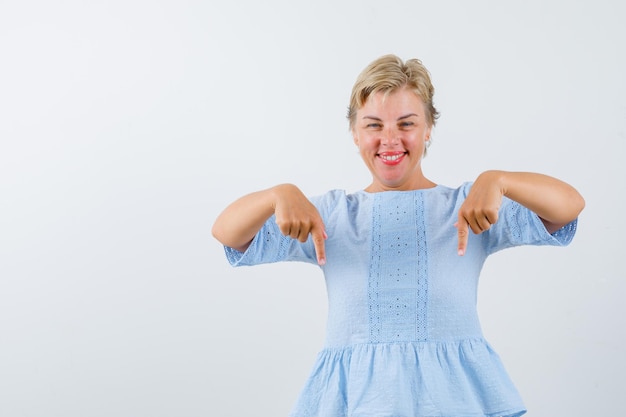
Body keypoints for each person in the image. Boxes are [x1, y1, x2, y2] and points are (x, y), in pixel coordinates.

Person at [212, 54, 585, 417]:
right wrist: (278, 193)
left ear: (428, 130)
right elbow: (227, 233)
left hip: (454, 401)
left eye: (406, 124)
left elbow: (568, 205)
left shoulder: (469, 208)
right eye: (374, 125)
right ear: (355, 134)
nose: (390, 139)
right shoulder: (330, 217)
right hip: (357, 402)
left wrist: (498, 180)